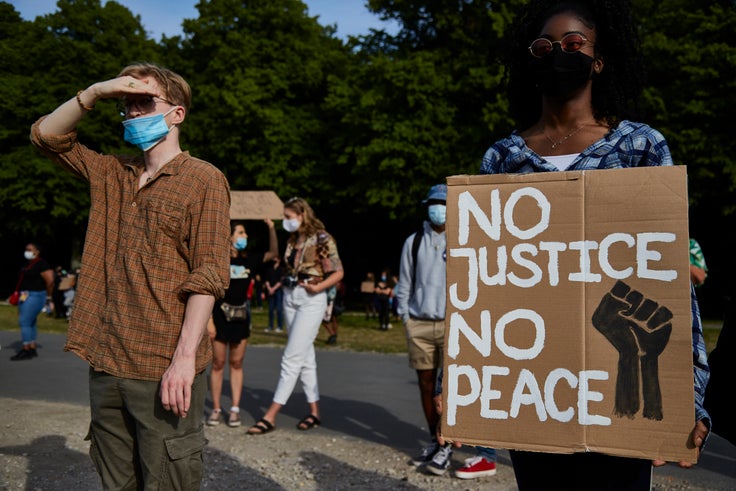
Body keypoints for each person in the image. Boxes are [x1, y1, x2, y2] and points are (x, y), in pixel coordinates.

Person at [476, 1, 710, 488]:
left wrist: (691, 395)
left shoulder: (641, 146)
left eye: (573, 44)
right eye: (544, 46)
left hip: (619, 381)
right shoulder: (502, 158)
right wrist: (458, 391)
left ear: (598, 61)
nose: (558, 53)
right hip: (536, 385)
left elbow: (668, 278)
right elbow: (481, 286)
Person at [30, 63, 231, 489]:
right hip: (106, 361)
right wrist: (97, 91)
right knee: (115, 481)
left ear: (176, 113)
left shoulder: (204, 179)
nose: (133, 111)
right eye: (127, 104)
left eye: (145, 101)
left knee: (168, 480)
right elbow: (47, 137)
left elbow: (209, 274)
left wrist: (181, 361)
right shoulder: (110, 173)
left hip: (163, 366)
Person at [247, 197, 344, 435]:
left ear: (302, 215)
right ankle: (315, 412)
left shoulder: (322, 238)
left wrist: (318, 288)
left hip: (311, 297)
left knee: (291, 357)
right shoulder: (292, 239)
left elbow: (338, 272)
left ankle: (270, 414)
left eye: (289, 217)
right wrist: (270, 227)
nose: (286, 221)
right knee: (305, 356)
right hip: (291, 295)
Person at [395, 184, 460, 474]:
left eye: (442, 203)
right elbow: (405, 282)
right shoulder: (414, 241)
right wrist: (406, 319)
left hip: (452, 322)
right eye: (433, 203)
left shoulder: (462, 239)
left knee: (447, 389)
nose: (437, 208)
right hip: (419, 322)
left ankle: (445, 443)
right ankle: (435, 439)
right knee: (425, 383)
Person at [206, 220, 278, 428]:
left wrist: (271, 227)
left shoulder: (251, 260)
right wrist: (209, 321)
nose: (244, 236)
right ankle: (217, 408)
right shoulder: (218, 259)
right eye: (240, 232)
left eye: (244, 233)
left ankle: (235, 408)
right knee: (218, 364)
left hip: (241, 317)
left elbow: (273, 252)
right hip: (220, 315)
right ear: (229, 236)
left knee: (236, 363)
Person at [9, 243, 54, 361]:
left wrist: (49, 297)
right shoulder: (28, 264)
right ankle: (32, 347)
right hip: (25, 294)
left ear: (37, 251)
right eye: (26, 249)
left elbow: (50, 280)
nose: (27, 251)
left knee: (24, 321)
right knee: (31, 322)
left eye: (29, 249)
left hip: (36, 295)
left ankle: (26, 348)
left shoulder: (42, 264)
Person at [264, 256, 286, 333]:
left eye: (275, 258)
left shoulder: (281, 269)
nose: (274, 259)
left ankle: (280, 326)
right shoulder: (269, 269)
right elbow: (266, 280)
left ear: (279, 260)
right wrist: (269, 288)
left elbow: (281, 281)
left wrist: (273, 289)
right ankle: (270, 326)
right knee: (270, 309)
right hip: (270, 291)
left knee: (279, 309)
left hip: (278, 291)